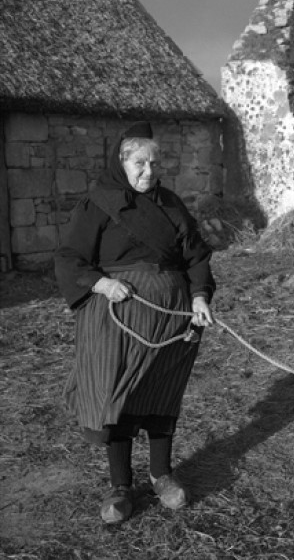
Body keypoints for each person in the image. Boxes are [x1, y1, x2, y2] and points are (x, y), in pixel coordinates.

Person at [55, 121, 216, 524]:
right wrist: (102, 282)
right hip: (118, 317)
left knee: (162, 393)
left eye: (154, 163)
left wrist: (199, 296)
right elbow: (71, 258)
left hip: (171, 317)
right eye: (140, 163)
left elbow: (196, 257)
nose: (149, 171)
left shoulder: (171, 204)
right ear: (121, 162)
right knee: (120, 396)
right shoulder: (98, 204)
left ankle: (162, 475)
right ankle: (120, 486)